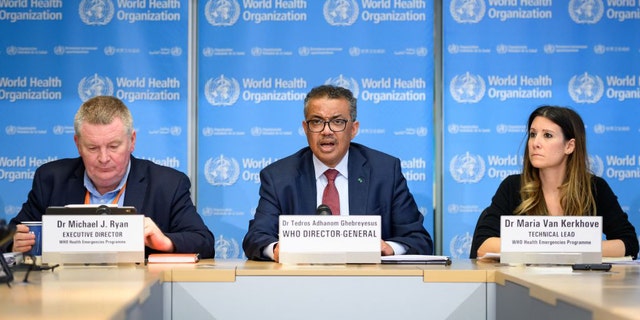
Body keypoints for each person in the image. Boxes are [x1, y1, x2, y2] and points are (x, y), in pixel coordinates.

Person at [6, 96, 215, 258]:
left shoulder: (167, 184)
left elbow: (203, 241)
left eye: (114, 146)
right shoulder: (51, 180)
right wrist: (14, 242)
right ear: (78, 144)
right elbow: (10, 236)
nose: (104, 158)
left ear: (132, 141)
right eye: (93, 147)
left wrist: (165, 241)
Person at [242, 85, 433, 261]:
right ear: (305, 128)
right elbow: (256, 238)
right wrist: (275, 249)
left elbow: (418, 239)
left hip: (370, 285)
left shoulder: (384, 172)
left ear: (353, 129)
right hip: (300, 285)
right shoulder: (279, 177)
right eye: (316, 122)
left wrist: (388, 248)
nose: (327, 131)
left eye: (337, 122)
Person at [470, 105, 638, 259]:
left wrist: (565, 248)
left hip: (579, 287)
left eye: (547, 135)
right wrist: (560, 246)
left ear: (569, 146)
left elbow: (628, 244)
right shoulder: (513, 187)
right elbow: (483, 245)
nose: (536, 143)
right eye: (533, 134)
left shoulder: (594, 188)